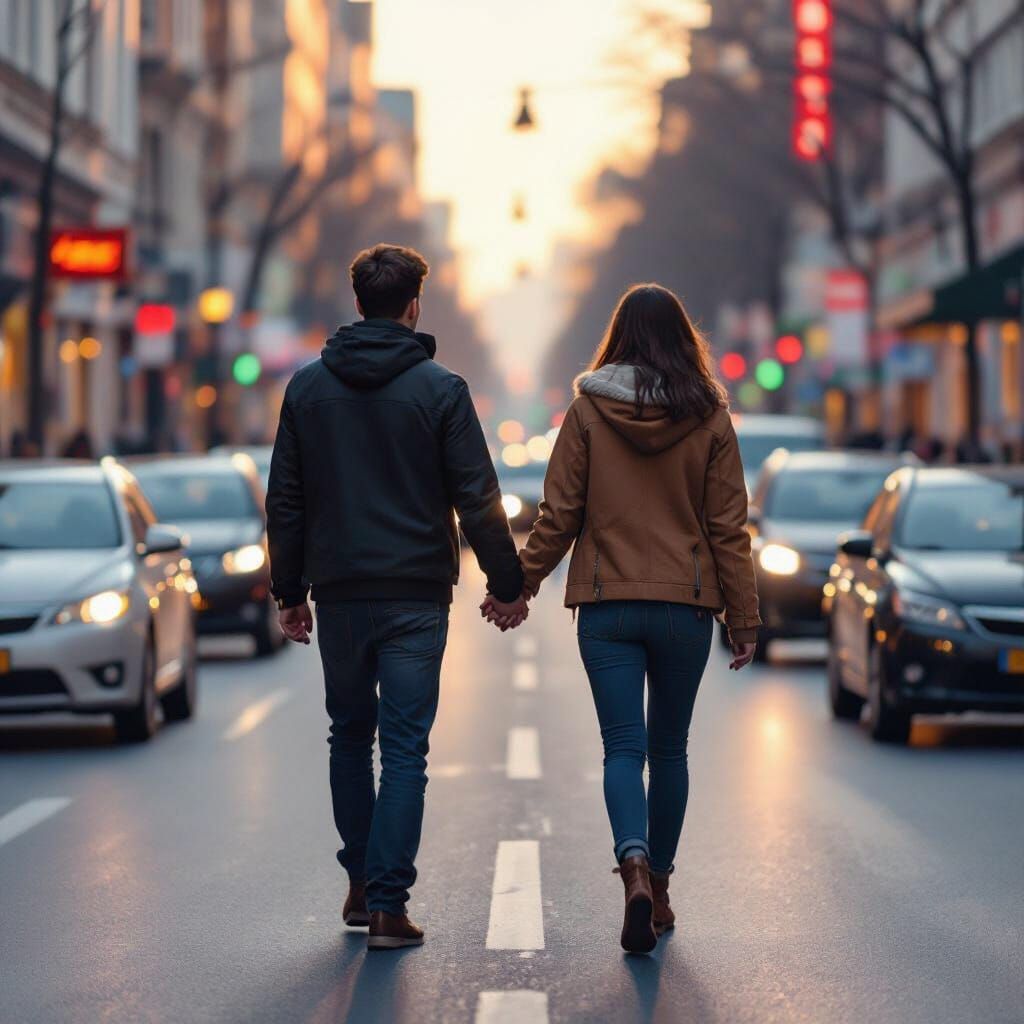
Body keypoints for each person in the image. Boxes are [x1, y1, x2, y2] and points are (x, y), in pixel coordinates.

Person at [484, 283, 760, 954]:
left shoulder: (586, 413)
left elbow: (560, 515)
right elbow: (730, 530)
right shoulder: (712, 419)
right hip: (684, 607)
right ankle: (660, 887)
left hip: (607, 606)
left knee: (622, 748)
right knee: (669, 750)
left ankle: (631, 862)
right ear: (683, 339)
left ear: (617, 337)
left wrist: (520, 585)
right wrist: (744, 617)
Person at [266, 243, 527, 951]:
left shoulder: (306, 390)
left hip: (341, 594)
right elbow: (478, 497)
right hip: (415, 594)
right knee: (405, 748)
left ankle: (358, 881)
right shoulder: (441, 390)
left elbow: (285, 500)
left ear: (358, 303)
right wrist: (509, 586)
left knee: (349, 735)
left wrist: (289, 589)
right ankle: (388, 903)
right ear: (414, 305)